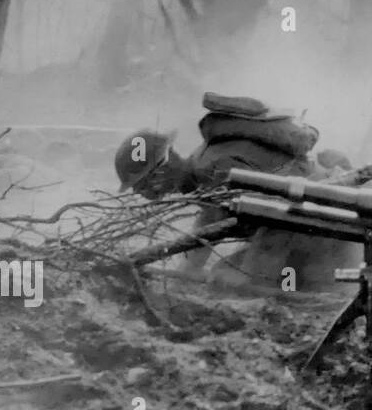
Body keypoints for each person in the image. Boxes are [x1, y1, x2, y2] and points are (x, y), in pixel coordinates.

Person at [114, 94, 356, 289]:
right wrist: (186, 271)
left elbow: (276, 216)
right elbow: (208, 223)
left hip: (330, 230)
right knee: (224, 277)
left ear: (159, 172)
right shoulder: (203, 171)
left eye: (142, 186)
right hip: (314, 228)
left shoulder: (213, 168)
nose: (142, 195)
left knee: (234, 285)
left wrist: (251, 276)